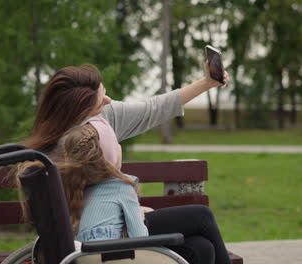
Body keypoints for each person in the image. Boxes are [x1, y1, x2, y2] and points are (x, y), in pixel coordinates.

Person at [22, 62, 231, 264]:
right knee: (202, 216)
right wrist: (133, 213)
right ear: (79, 110)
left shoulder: (97, 119)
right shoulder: (76, 141)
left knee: (201, 248)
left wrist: (207, 82)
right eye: (101, 99)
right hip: (101, 240)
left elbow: (154, 108)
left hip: (103, 228)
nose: (109, 101)